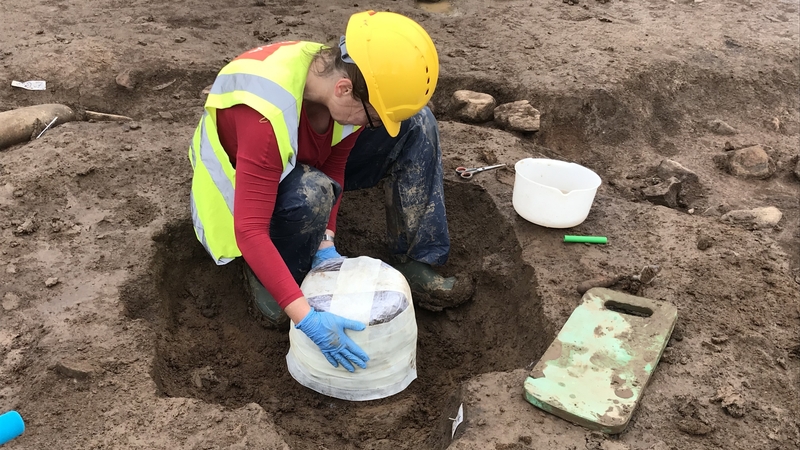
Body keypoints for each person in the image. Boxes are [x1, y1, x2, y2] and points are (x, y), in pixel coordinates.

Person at [188, 11, 470, 373]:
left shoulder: (342, 81)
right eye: (372, 118)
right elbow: (249, 229)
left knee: (415, 124)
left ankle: (415, 257)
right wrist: (306, 318)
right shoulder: (264, 114)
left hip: (301, 159)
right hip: (247, 190)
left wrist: (326, 241)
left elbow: (335, 164)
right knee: (312, 192)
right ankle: (274, 276)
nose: (373, 128)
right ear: (344, 89)